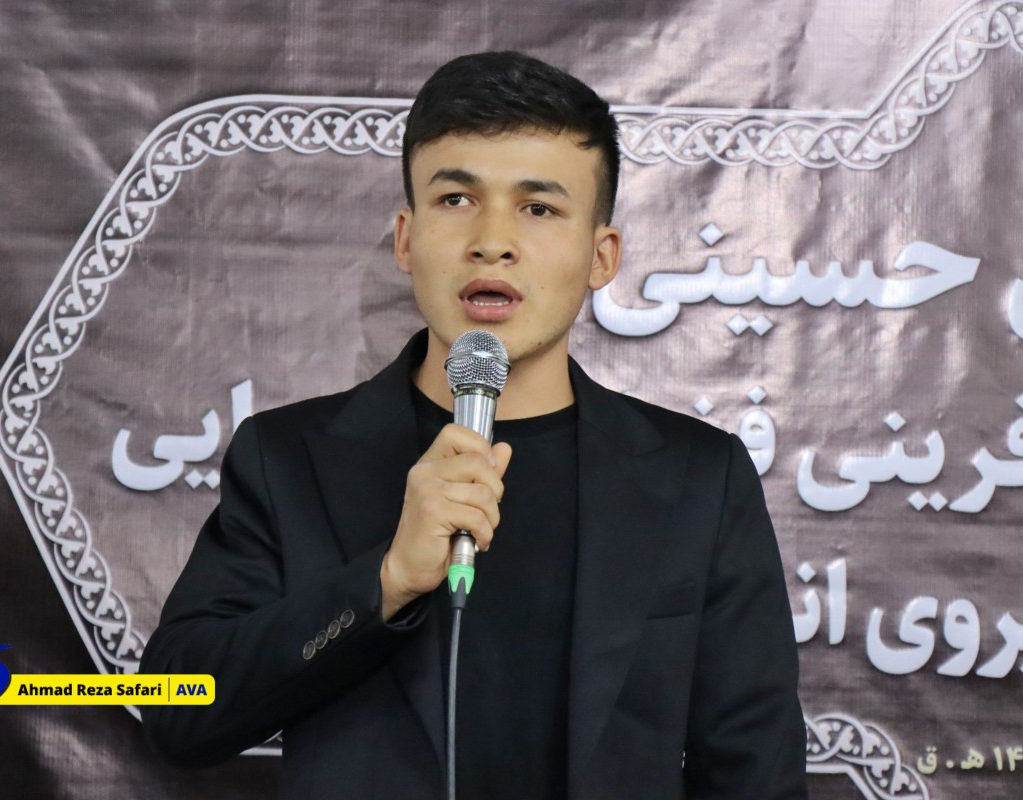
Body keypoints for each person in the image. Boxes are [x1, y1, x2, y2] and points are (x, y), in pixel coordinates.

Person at [139, 51, 807, 799]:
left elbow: (755, 774)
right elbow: (177, 707)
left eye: (538, 208)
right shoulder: (288, 458)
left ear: (601, 255)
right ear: (406, 238)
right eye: (456, 199)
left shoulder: (699, 478)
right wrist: (385, 583)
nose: (492, 240)